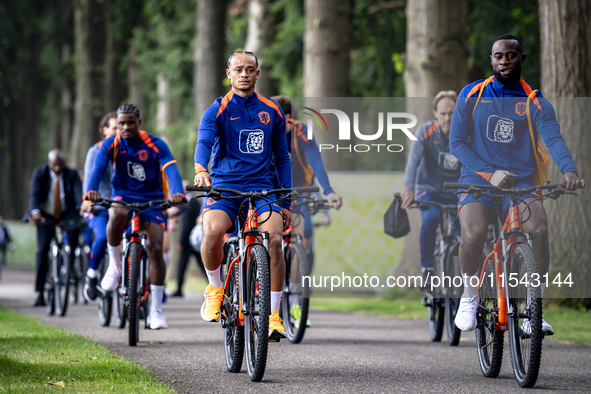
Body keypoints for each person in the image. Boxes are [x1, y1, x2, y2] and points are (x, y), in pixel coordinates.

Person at [449, 34, 585, 334]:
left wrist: (569, 170)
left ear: (522, 59)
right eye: (499, 56)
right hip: (478, 178)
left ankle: (532, 309)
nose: (505, 60)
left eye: (511, 55)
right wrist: (489, 173)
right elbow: (457, 144)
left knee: (538, 230)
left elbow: (553, 139)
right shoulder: (471, 94)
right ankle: (470, 295)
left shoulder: (535, 101)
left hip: (521, 181)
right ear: (492, 60)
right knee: (474, 233)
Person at [194, 50, 291, 339]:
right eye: (238, 69)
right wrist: (201, 169)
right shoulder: (217, 110)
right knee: (211, 232)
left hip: (262, 188)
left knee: (274, 240)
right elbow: (204, 140)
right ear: (229, 74)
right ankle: (215, 287)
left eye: (250, 69)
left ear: (258, 74)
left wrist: (286, 202)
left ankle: (273, 315)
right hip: (225, 186)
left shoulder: (271, 111)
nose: (244, 74)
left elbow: (283, 158)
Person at [83, 103, 185, 329]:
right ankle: (115, 265)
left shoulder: (155, 144)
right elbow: (98, 168)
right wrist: (90, 191)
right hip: (124, 196)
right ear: (117, 124)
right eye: (121, 123)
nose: (126, 127)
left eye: (130, 122)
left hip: (153, 199)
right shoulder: (111, 143)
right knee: (115, 216)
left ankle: (156, 311)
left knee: (156, 248)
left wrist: (177, 192)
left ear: (139, 122)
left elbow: (171, 169)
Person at [400, 91, 462, 287]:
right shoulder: (425, 132)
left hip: (457, 191)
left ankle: (467, 276)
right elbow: (412, 162)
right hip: (430, 190)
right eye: (443, 113)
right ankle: (427, 268)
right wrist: (408, 189)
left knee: (466, 229)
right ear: (435, 113)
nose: (447, 118)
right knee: (431, 218)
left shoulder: (465, 133)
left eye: (451, 113)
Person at [25, 149, 83, 307]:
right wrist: (35, 212)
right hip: (45, 214)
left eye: (60, 164)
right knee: (42, 250)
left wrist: (82, 209)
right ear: (49, 163)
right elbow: (34, 195)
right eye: (54, 164)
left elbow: (79, 194)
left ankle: (68, 267)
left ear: (64, 163)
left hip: (67, 213)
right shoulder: (40, 173)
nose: (57, 168)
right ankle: (39, 292)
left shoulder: (72, 174)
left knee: (73, 238)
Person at [82, 111, 118, 301]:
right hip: (100, 208)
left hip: (122, 207)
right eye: (114, 129)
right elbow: (89, 179)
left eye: (120, 129)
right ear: (104, 130)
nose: (118, 132)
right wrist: (88, 198)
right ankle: (92, 274)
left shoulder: (127, 151)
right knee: (103, 236)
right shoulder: (94, 151)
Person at [171, 180, 205, 298]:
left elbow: (186, 225)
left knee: (186, 264)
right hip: (191, 240)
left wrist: (181, 241)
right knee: (192, 264)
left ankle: (179, 289)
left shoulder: (191, 203)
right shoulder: (189, 202)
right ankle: (179, 288)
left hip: (190, 240)